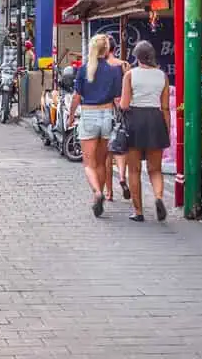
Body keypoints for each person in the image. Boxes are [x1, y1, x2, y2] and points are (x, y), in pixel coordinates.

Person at [67, 34, 122, 217]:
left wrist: (71, 115)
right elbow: (117, 98)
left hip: (89, 115)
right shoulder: (114, 71)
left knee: (89, 163)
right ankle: (99, 195)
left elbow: (76, 96)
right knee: (101, 162)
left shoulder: (83, 70)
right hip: (107, 115)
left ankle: (97, 193)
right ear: (106, 49)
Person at [119, 40, 170, 222]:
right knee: (155, 169)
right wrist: (166, 127)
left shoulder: (130, 75)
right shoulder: (162, 76)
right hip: (156, 120)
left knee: (134, 170)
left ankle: (138, 211)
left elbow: (124, 104)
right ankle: (158, 197)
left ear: (137, 57)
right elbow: (165, 107)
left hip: (135, 120)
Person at [104, 35, 130, 203]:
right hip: (123, 110)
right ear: (114, 48)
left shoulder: (100, 66)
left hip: (105, 110)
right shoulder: (124, 65)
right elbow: (131, 87)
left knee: (107, 153)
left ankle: (109, 192)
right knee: (120, 147)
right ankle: (121, 176)